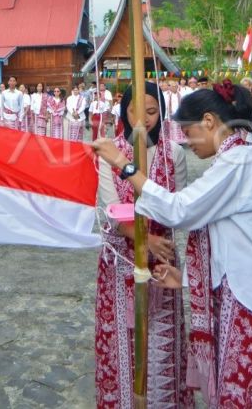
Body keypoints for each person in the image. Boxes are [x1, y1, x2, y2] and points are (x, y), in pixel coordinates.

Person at [92, 80, 252, 407]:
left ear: (209, 121)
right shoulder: (230, 159)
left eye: (189, 133)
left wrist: (124, 165)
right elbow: (218, 236)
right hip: (232, 287)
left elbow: (180, 209)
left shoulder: (237, 162)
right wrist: (186, 278)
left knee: (246, 390)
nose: (187, 142)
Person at [94, 81, 192, 407]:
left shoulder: (173, 153)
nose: (144, 119)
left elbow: (175, 207)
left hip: (161, 260)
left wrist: (156, 241)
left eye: (152, 111)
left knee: (161, 342)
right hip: (122, 259)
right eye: (136, 111)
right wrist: (143, 238)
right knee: (126, 341)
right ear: (124, 111)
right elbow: (113, 212)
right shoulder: (110, 153)